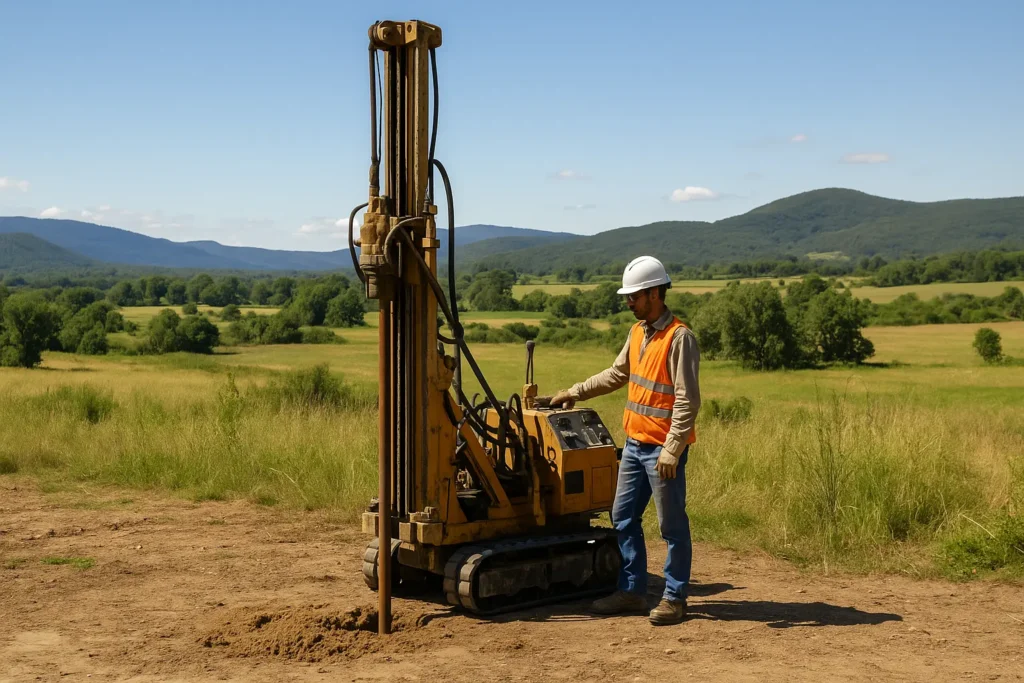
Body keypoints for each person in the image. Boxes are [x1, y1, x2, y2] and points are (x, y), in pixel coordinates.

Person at [549, 255, 700, 626]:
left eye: (633, 296)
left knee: (672, 527)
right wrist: (576, 391)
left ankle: (675, 597)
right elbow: (618, 373)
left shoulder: (679, 338)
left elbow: (687, 399)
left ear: (653, 293)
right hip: (634, 447)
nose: (628, 302)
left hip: (662, 452)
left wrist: (673, 448)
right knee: (623, 517)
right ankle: (633, 591)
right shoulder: (638, 333)